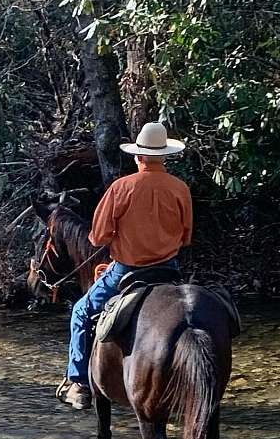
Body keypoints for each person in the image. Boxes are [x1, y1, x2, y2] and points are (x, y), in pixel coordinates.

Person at [57, 121, 193, 410]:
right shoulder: (180, 188)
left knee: (81, 312)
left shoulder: (122, 188)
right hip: (169, 269)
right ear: (164, 156)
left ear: (139, 156)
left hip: (126, 271)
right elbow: (185, 235)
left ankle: (78, 382)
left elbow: (98, 236)